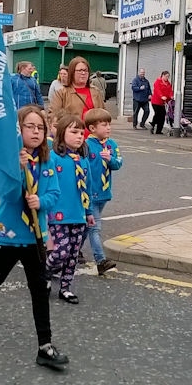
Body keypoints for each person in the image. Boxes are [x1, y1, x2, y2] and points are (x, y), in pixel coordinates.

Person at [0, 105, 69, 368]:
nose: (36, 132)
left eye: (40, 127)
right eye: (30, 126)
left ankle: (44, 345)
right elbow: (5, 197)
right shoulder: (5, 159)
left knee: (39, 289)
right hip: (9, 235)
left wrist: (40, 201)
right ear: (18, 129)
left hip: (35, 236)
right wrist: (17, 170)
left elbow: (55, 193)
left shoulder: (49, 159)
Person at [46, 114, 95, 304]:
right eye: (74, 132)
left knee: (73, 254)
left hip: (79, 214)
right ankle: (45, 273)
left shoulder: (83, 160)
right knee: (61, 251)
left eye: (81, 133)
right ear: (61, 133)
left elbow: (88, 187)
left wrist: (89, 212)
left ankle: (65, 288)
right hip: (57, 214)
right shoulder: (53, 157)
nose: (79, 136)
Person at [83, 108, 122, 275]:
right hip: (90, 193)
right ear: (92, 128)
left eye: (109, 124)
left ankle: (73, 251)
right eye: (104, 125)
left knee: (87, 227)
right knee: (94, 227)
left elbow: (118, 164)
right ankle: (101, 260)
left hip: (104, 193)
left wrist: (110, 159)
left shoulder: (112, 145)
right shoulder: (85, 146)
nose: (108, 128)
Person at [49, 56, 105, 126]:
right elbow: (53, 116)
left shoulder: (95, 91)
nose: (83, 73)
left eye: (85, 70)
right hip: (72, 134)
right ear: (72, 72)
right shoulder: (62, 93)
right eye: (80, 70)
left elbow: (103, 115)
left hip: (93, 135)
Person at [149, 71, 174, 135]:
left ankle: (159, 130)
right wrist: (161, 96)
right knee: (157, 114)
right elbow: (157, 90)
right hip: (156, 101)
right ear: (162, 75)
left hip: (163, 102)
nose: (167, 78)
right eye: (166, 76)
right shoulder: (158, 82)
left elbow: (170, 91)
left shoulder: (168, 83)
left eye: (168, 76)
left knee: (162, 116)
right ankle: (153, 124)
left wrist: (171, 96)